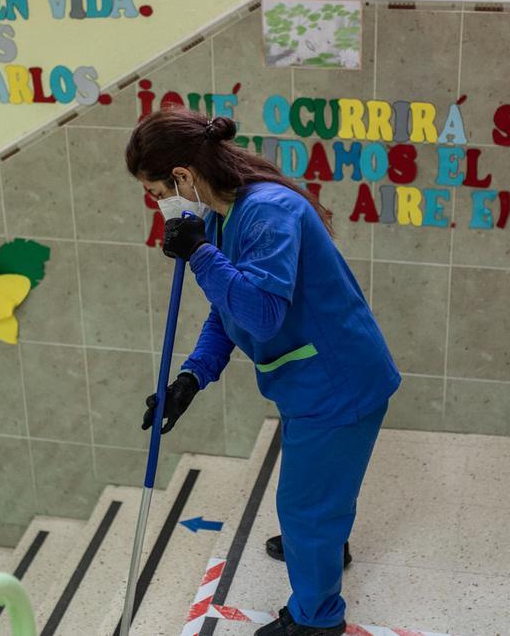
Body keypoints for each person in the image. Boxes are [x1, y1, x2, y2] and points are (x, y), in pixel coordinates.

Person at [126, 107, 401, 636]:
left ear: (182, 176)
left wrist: (202, 255)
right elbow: (227, 310)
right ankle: (324, 545)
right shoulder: (222, 215)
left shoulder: (269, 213)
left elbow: (261, 312)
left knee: (302, 507)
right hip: (308, 379)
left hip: (337, 382)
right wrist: (191, 378)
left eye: (157, 191)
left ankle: (316, 621)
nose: (159, 204)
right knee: (320, 492)